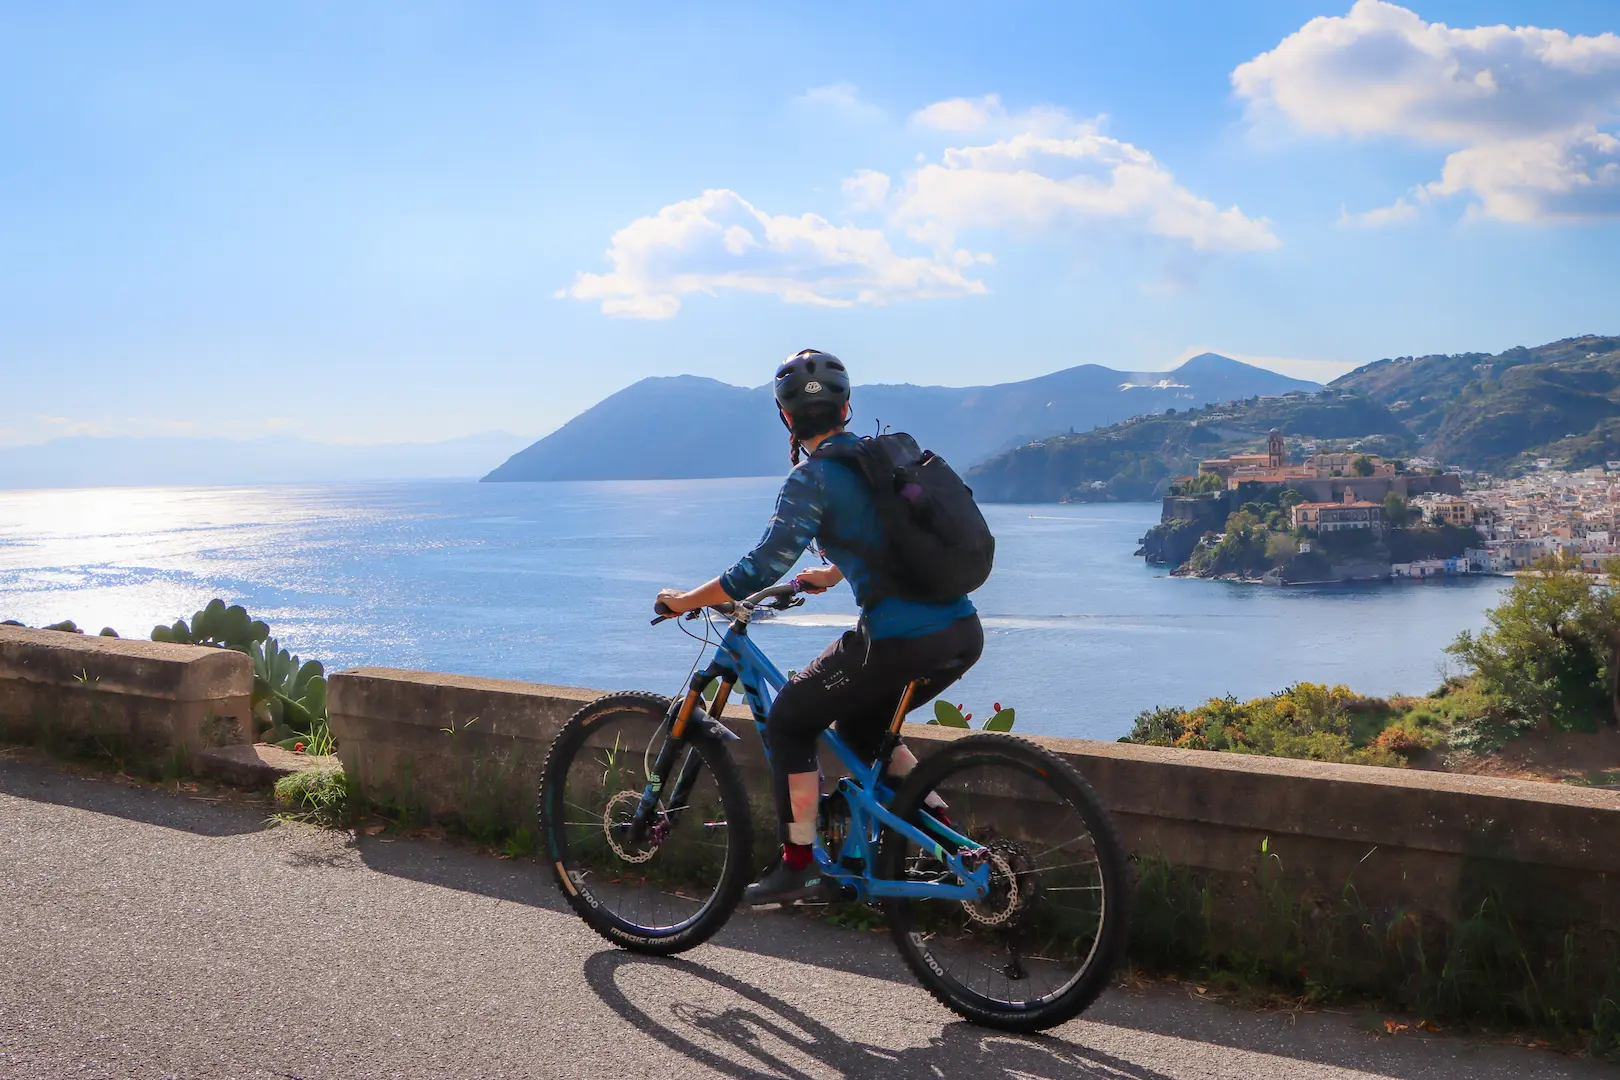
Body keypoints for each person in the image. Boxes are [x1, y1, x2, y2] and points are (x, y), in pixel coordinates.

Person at [654, 349, 985, 904]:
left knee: (789, 721)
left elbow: (759, 568)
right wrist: (833, 573)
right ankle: (948, 841)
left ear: (786, 417)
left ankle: (799, 863)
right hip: (960, 632)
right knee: (861, 730)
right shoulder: (883, 458)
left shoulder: (813, 479)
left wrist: (684, 600)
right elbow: (896, 535)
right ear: (847, 408)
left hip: (899, 641)